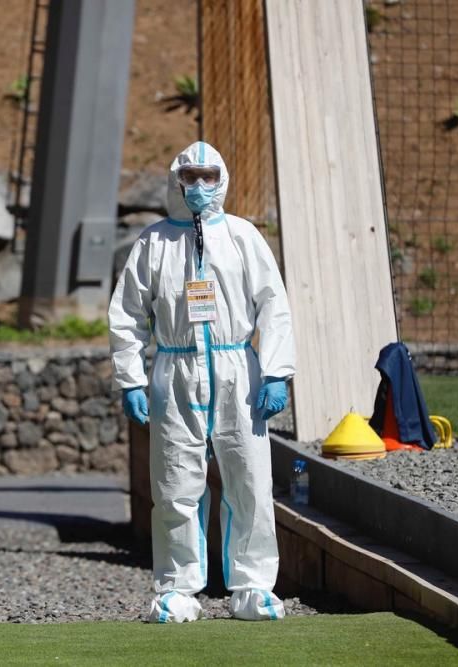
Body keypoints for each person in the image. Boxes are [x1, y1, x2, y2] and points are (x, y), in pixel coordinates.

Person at [108, 142, 295, 623]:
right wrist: (131, 379)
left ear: (222, 179)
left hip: (238, 371)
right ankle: (176, 589)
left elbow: (273, 305)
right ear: (177, 181)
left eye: (208, 176)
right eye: (190, 176)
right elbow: (127, 315)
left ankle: (252, 587)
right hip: (175, 369)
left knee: (249, 479)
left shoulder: (242, 237)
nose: (198, 186)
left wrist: (276, 371)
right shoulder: (153, 243)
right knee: (174, 483)